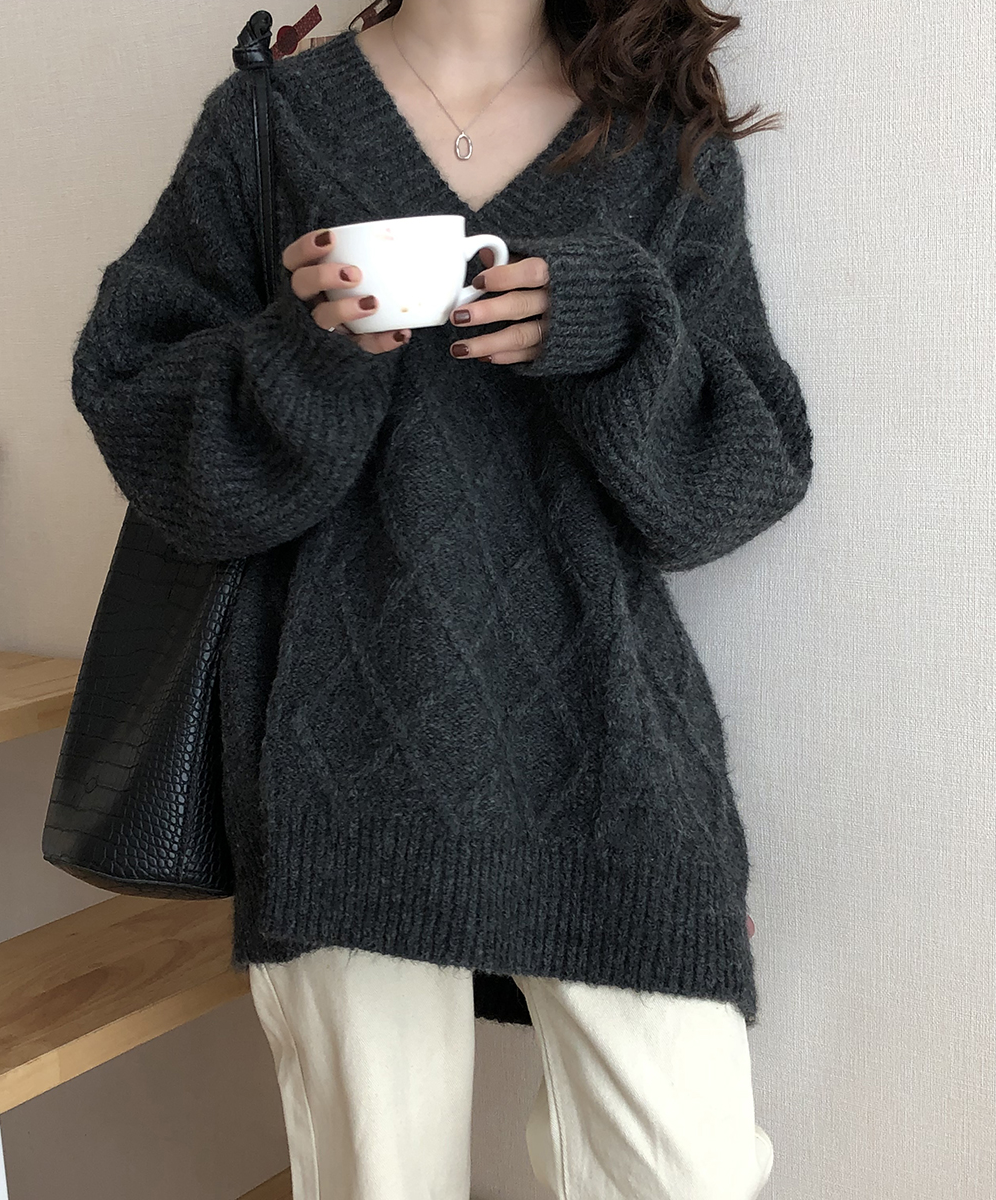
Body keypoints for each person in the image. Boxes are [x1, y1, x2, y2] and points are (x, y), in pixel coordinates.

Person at [69, 0, 813, 1195]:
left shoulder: (661, 143)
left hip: (606, 743)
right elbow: (144, 417)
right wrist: (305, 348)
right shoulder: (270, 120)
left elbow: (740, 480)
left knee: (689, 1170)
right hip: (333, 746)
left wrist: (619, 330)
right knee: (380, 1179)